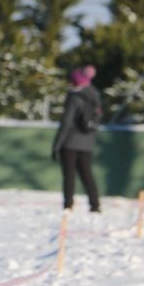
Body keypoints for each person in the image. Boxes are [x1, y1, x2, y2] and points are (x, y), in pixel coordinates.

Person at [51, 65, 102, 213]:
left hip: (70, 142)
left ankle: (68, 205)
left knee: (69, 175)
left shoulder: (74, 97)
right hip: (88, 143)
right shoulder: (95, 96)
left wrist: (57, 144)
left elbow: (66, 123)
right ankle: (95, 204)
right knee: (87, 175)